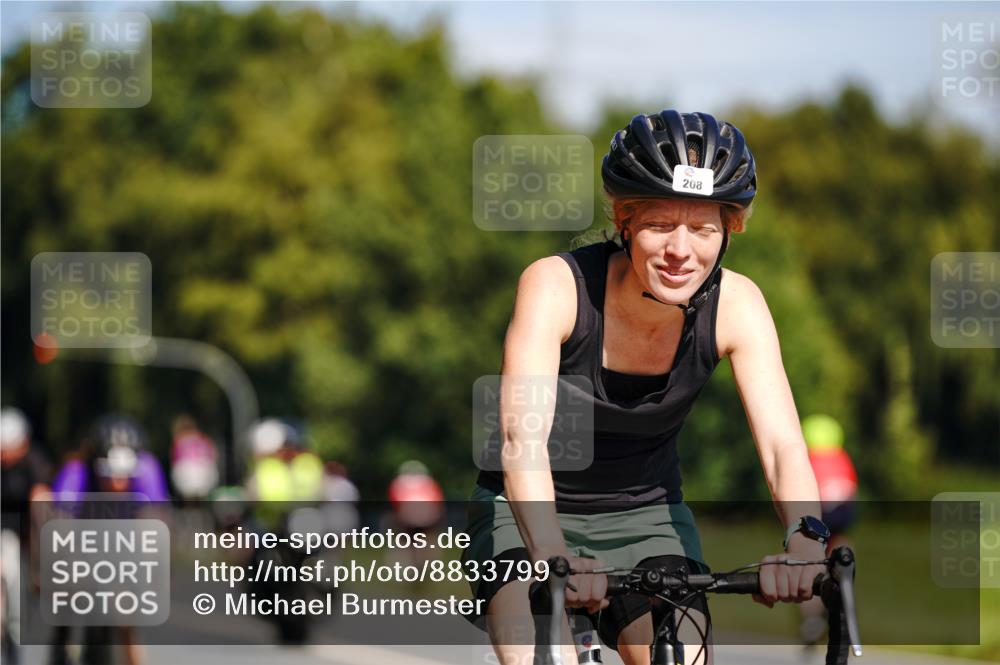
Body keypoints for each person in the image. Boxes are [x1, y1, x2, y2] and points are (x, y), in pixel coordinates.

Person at [462, 110, 830, 665]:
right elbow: (522, 441)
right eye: (660, 224)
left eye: (703, 229)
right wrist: (552, 555)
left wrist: (804, 540)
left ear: (729, 230)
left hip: (647, 516)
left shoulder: (738, 305)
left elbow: (783, 446)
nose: (681, 250)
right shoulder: (556, 287)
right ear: (625, 221)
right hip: (526, 511)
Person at [48, 415, 169, 665]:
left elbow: (156, 524)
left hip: (124, 547)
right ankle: (61, 645)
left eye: (125, 474)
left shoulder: (147, 470)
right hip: (82, 543)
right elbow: (59, 524)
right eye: (109, 473)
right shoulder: (77, 472)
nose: (117, 482)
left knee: (125, 614)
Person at [798, 414, 858, 646]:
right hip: (842, 511)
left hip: (819, 512)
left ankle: (812, 618)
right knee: (841, 542)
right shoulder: (842, 459)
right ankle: (845, 577)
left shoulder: (808, 459)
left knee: (810, 563)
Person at [1, 408, 52, 665]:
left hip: (29, 535)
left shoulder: (34, 463)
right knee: (7, 566)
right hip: (4, 536)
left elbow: (42, 508)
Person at [169, 414, 220, 502]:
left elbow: (174, 460)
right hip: (206, 474)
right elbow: (214, 456)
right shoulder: (203, 438)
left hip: (185, 476)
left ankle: (190, 504)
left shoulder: (178, 441)